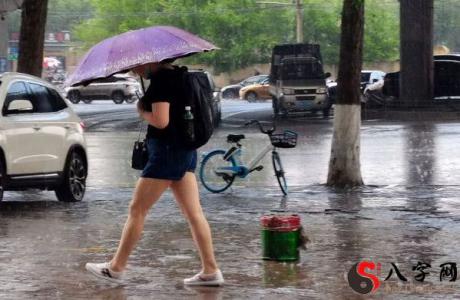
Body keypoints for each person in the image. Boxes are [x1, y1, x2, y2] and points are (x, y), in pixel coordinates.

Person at [85, 61, 224, 286]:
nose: (134, 70)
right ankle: (210, 270)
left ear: (153, 60)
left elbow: (161, 121)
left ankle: (116, 268)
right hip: (185, 150)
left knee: (137, 209)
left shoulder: (162, 82)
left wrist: (142, 110)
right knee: (193, 213)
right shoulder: (181, 76)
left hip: (167, 153)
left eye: (137, 65)